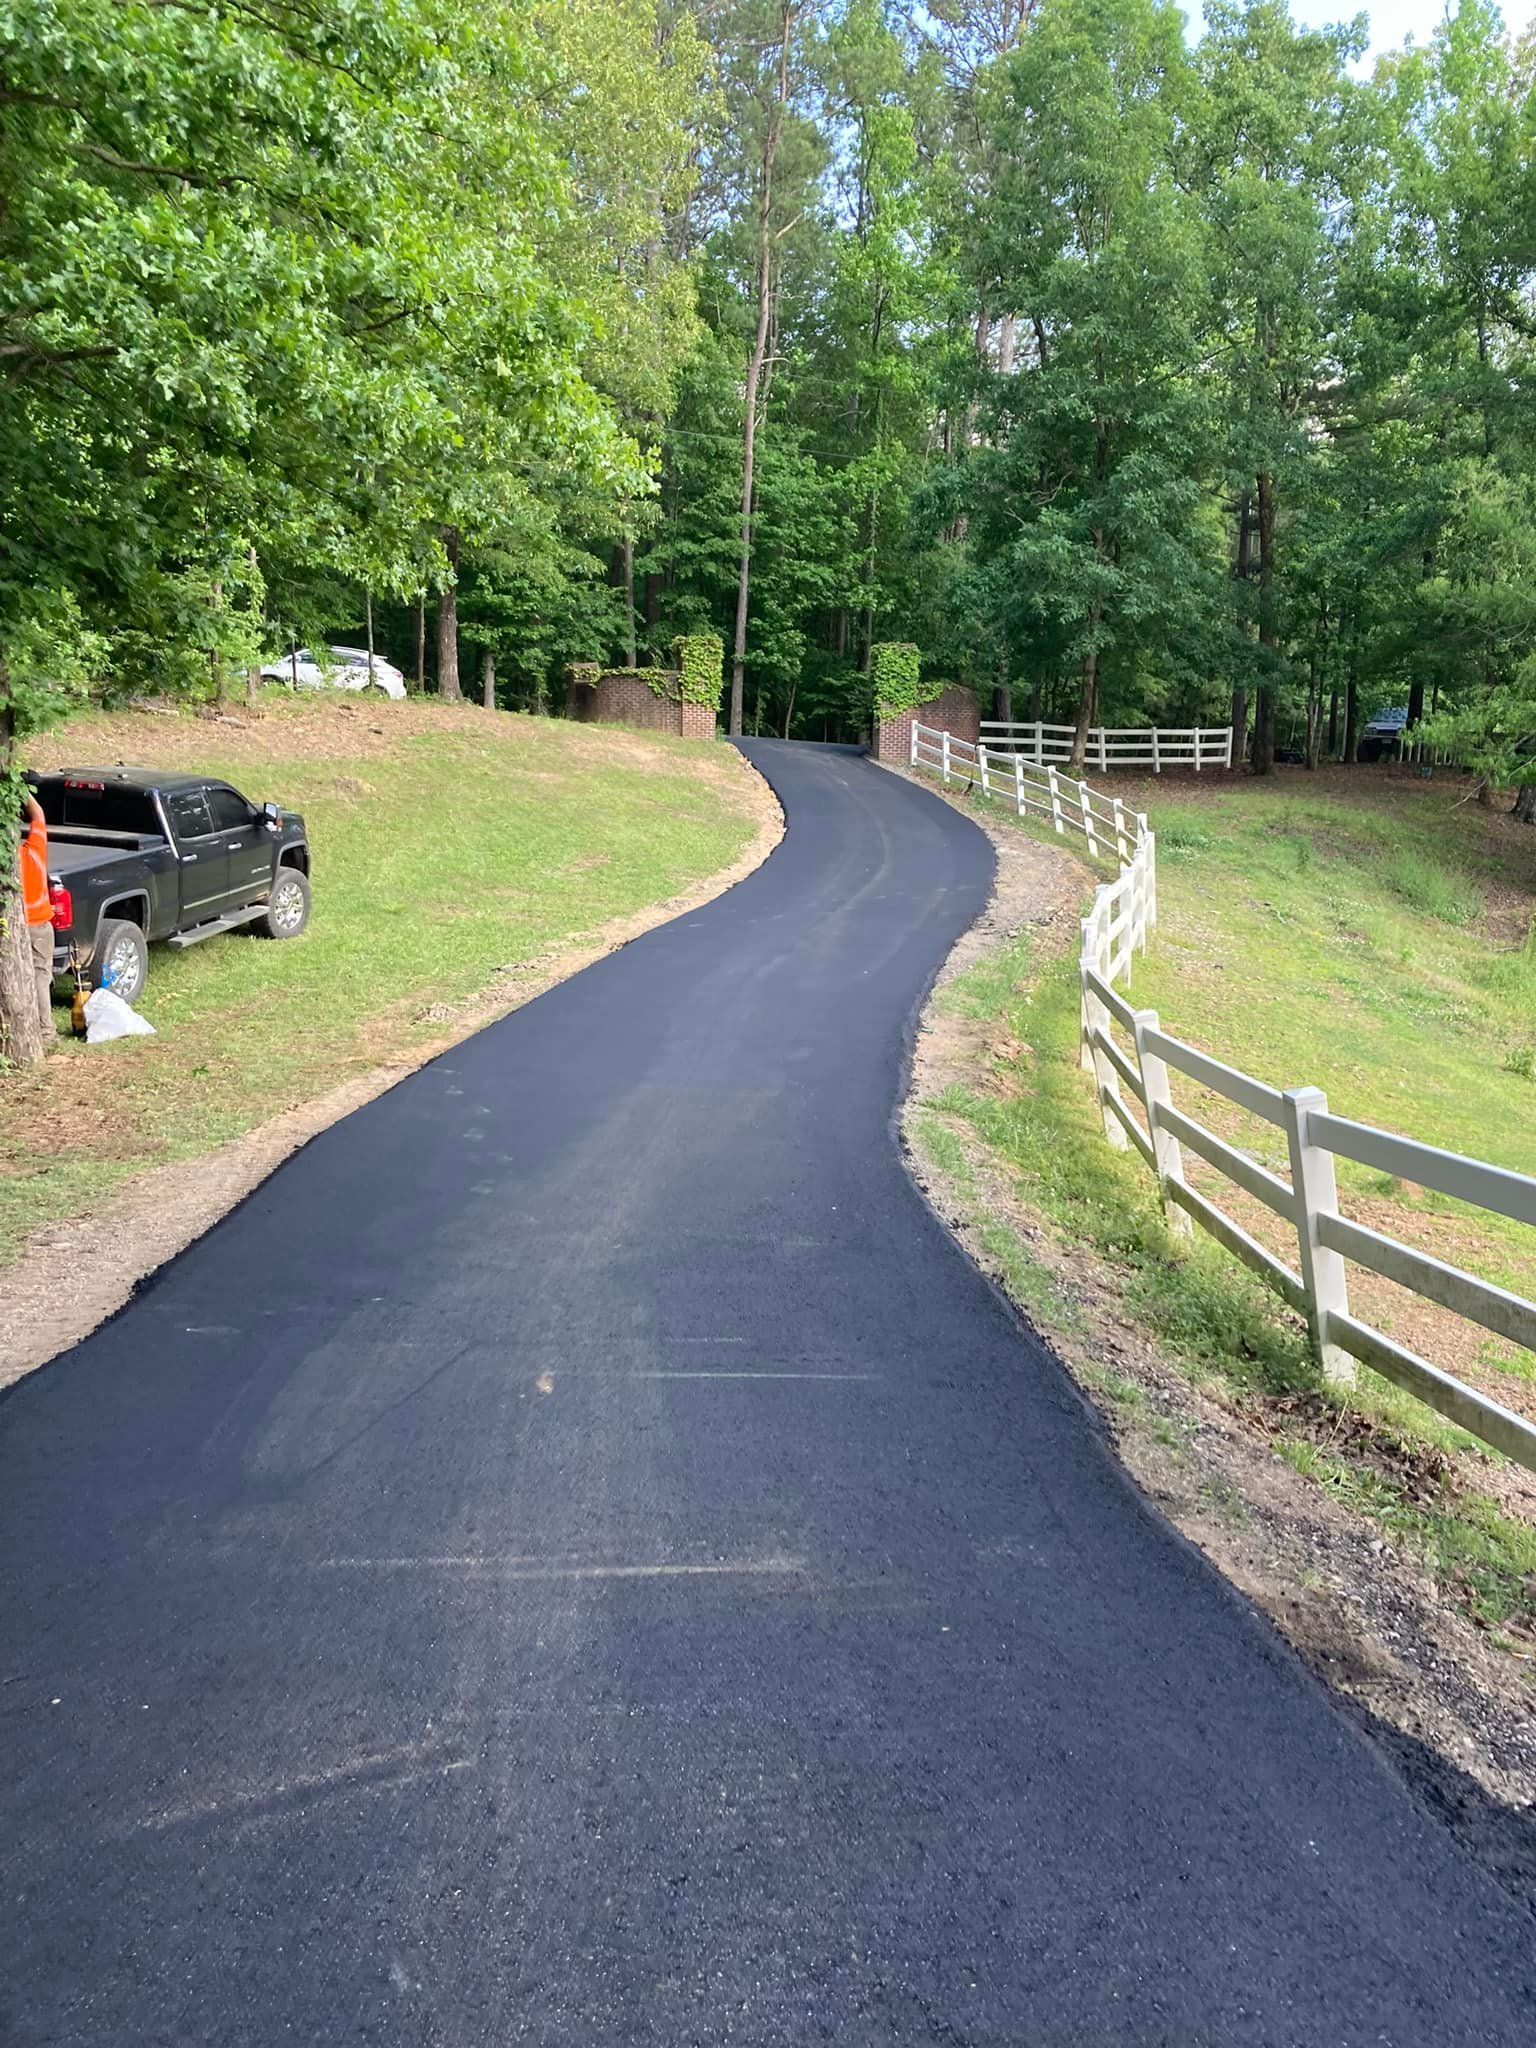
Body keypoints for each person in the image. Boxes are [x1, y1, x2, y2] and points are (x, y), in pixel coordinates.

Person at [18, 788, 54, 1041]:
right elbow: (38, 814)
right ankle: (45, 1031)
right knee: (40, 975)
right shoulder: (34, 849)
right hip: (39, 924)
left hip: (13, 928)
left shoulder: (5, 864)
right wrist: (22, 790)